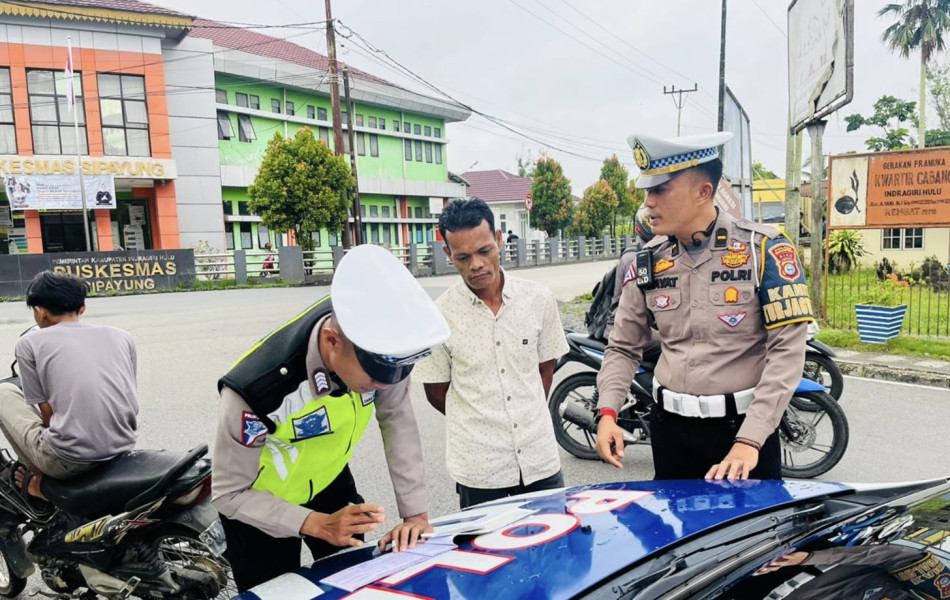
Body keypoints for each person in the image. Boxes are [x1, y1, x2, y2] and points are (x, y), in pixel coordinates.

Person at [212, 244, 450, 592]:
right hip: (261, 505)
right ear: (331, 341)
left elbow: (397, 420)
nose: (386, 387)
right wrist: (314, 523)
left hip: (330, 479)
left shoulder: (377, 343)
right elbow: (229, 493)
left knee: (358, 586)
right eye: (374, 380)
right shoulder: (257, 391)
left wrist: (415, 514)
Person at [596, 132, 813, 481]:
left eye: (659, 190)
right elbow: (623, 346)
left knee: (750, 533)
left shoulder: (763, 250)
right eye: (647, 191)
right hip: (670, 432)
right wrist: (607, 411)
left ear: (703, 192)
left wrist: (750, 440)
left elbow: (787, 352)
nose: (647, 202)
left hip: (741, 435)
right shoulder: (649, 260)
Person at [414, 198, 569, 509]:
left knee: (555, 553)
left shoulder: (537, 299)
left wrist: (524, 413)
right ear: (448, 255)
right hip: (479, 471)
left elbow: (545, 368)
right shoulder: (436, 318)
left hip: (540, 460)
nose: (476, 265)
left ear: (499, 241)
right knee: (487, 555)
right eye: (463, 257)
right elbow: (435, 391)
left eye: (484, 251)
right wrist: (481, 420)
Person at [0, 271, 138, 508]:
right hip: (123, 446)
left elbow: (47, 414)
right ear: (82, 308)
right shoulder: (123, 337)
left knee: (3, 394)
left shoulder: (29, 343)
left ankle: (39, 482)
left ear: (40, 311)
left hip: (68, 461)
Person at [603, 205, 655, 340]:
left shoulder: (652, 252)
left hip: (636, 321)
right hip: (622, 325)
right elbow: (640, 303)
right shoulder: (635, 258)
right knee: (671, 342)